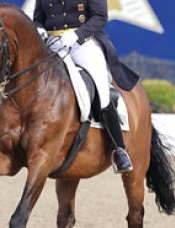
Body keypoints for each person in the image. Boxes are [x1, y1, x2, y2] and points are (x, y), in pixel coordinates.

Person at [33, 0, 138, 173]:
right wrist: (39, 28)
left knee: (102, 92)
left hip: (82, 45)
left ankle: (119, 149)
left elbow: (100, 16)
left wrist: (76, 35)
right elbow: (38, 18)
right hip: (52, 44)